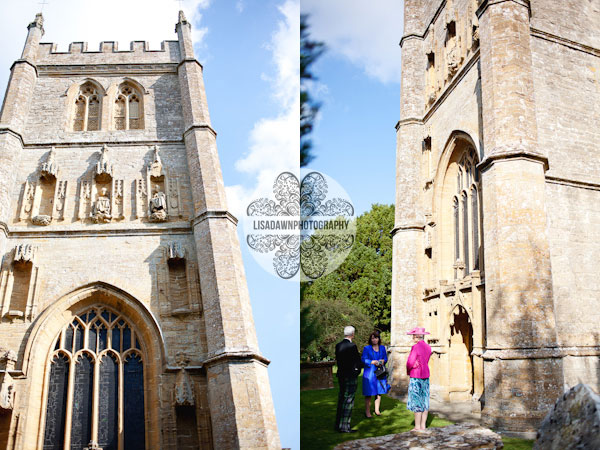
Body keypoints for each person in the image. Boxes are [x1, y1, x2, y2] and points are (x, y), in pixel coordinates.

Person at [334, 325, 362, 433]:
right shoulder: (352, 346)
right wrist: (357, 371)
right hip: (350, 376)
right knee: (349, 400)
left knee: (342, 399)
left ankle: (338, 425)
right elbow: (357, 362)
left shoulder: (338, 345)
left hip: (341, 375)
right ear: (353, 334)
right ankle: (345, 427)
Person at [406, 326, 432, 431]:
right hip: (425, 375)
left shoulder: (415, 347)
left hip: (416, 376)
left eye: (413, 335)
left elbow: (410, 362)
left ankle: (417, 427)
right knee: (424, 400)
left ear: (417, 336)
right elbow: (426, 360)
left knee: (417, 400)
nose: (412, 337)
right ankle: (423, 425)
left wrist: (409, 371)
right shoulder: (428, 347)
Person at [361, 330, 390, 417]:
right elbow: (363, 359)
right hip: (370, 373)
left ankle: (377, 410)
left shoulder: (382, 348)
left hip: (380, 372)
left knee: (379, 392)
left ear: (379, 339)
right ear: (370, 339)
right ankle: (368, 412)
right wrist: (372, 362)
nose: (374, 340)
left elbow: (385, 358)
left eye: (376, 338)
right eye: (372, 338)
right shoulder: (367, 348)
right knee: (369, 393)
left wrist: (383, 360)